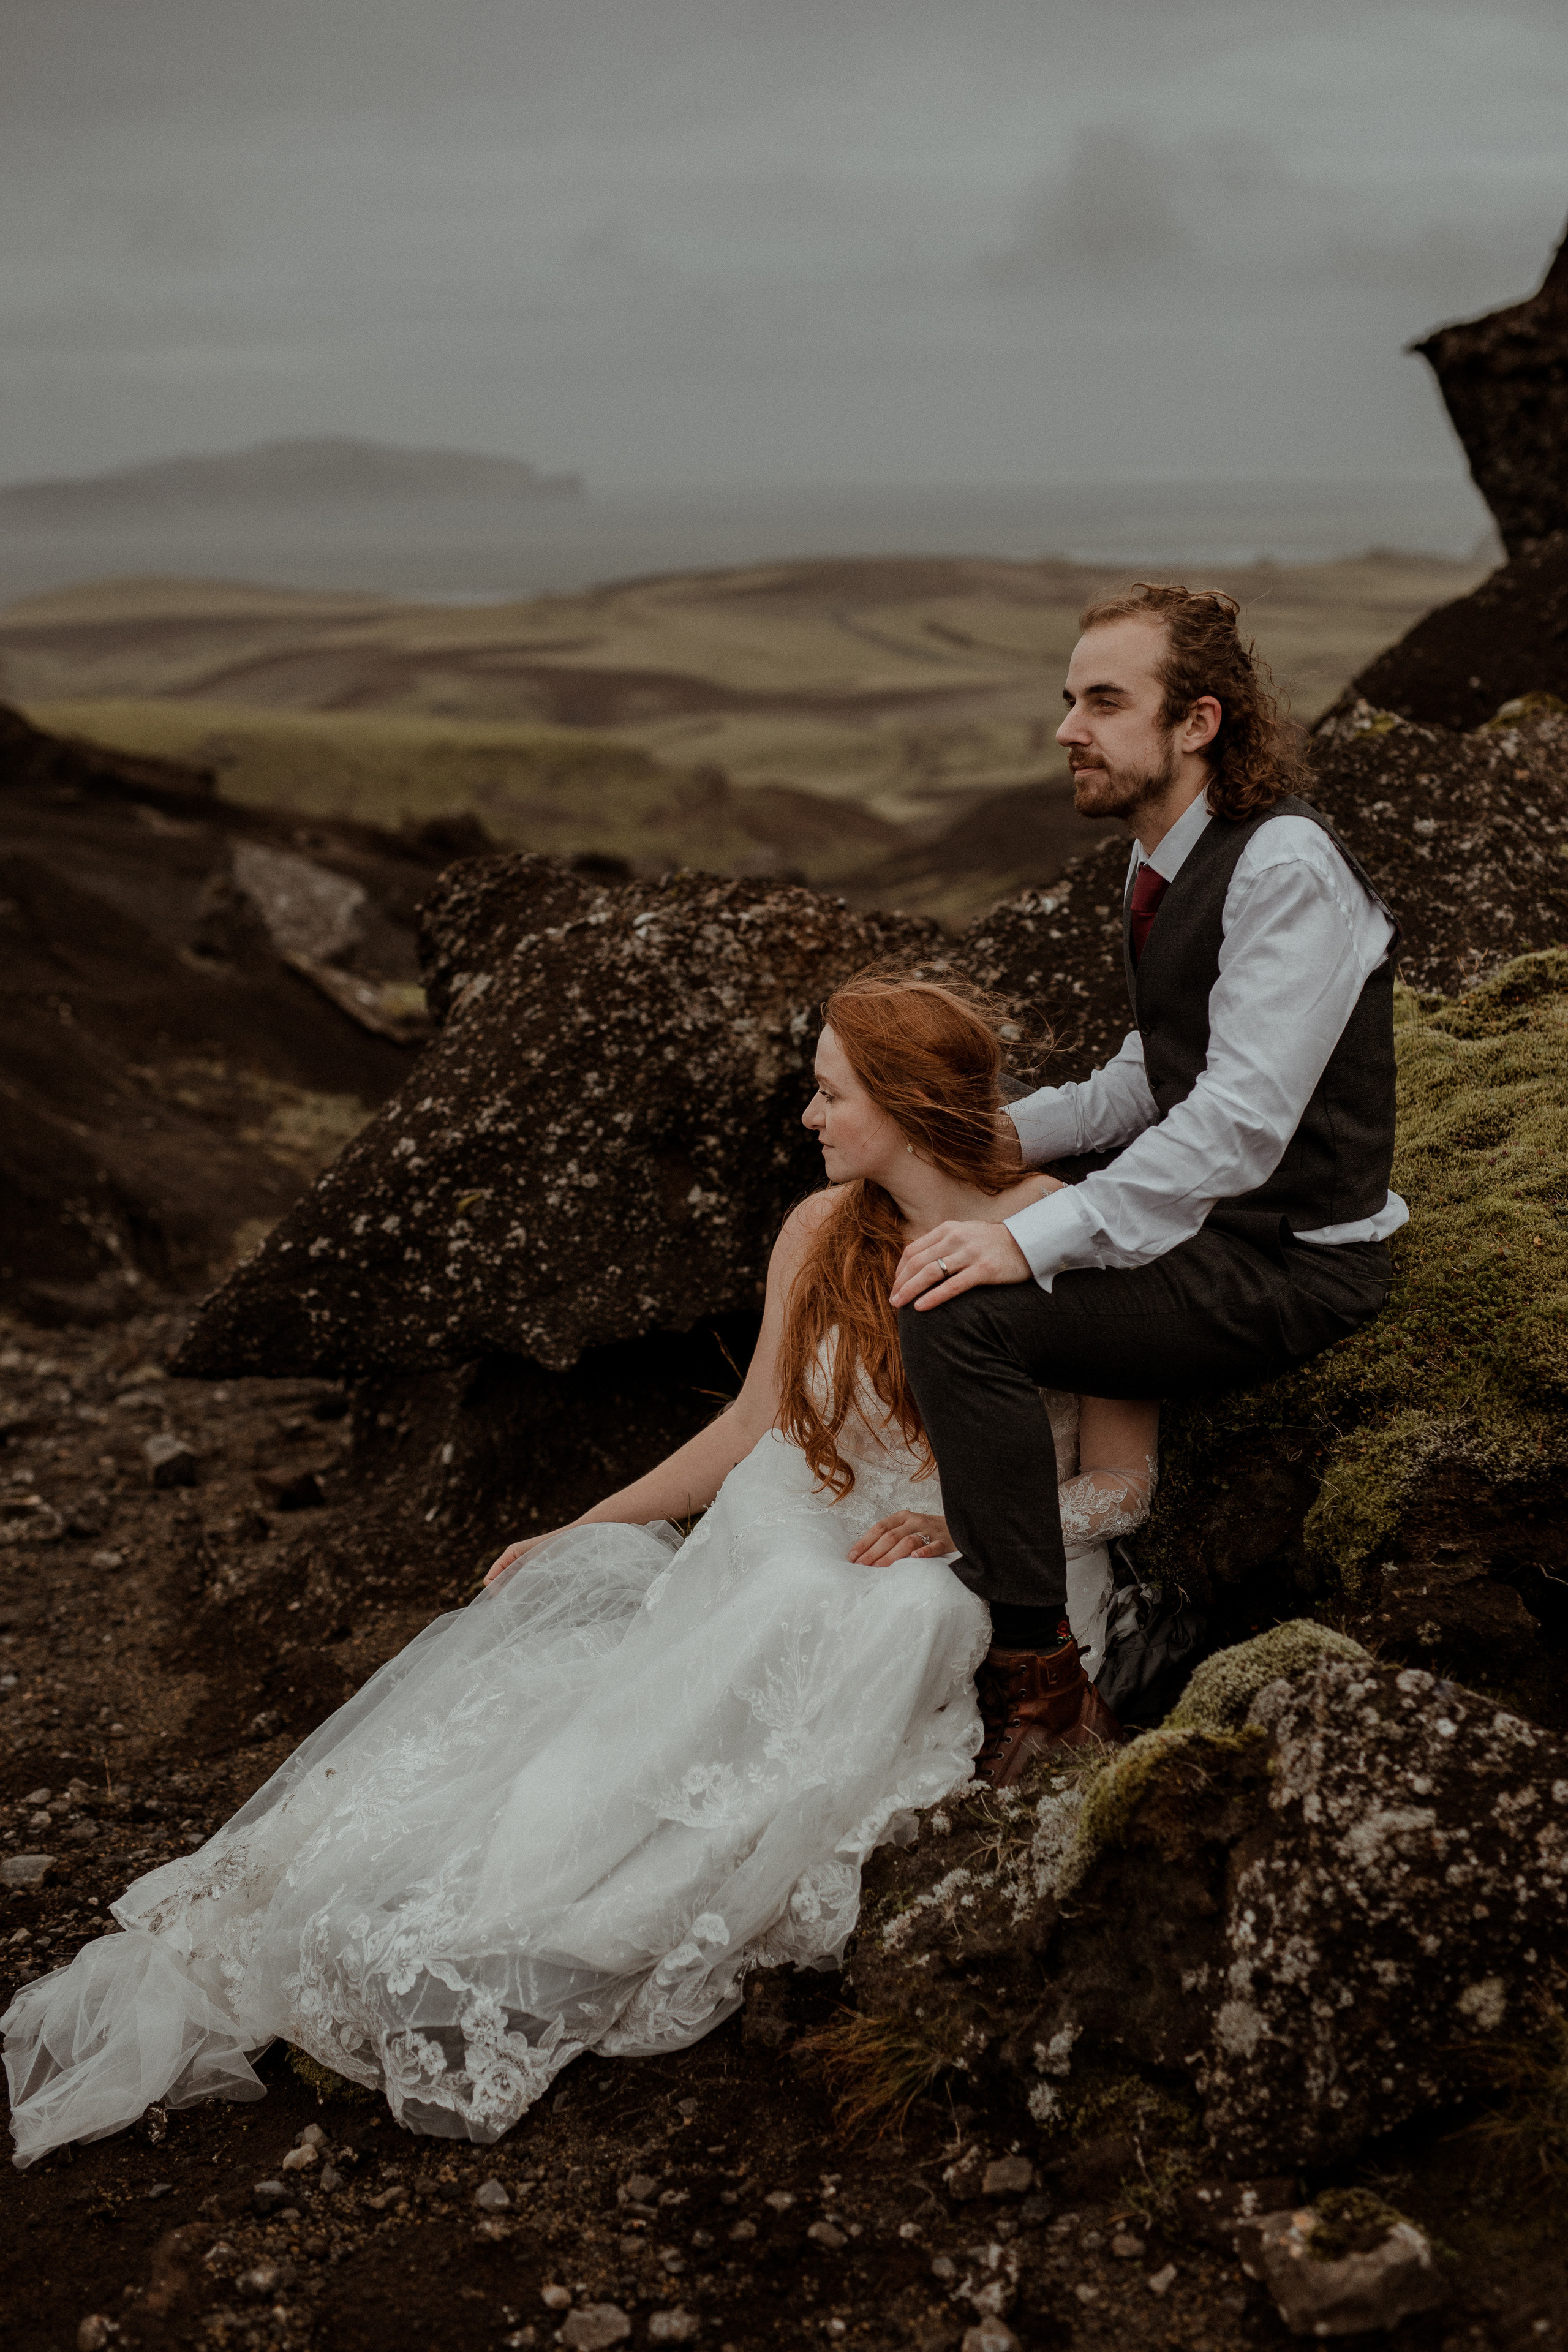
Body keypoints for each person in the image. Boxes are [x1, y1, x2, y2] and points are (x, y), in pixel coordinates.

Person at [4, 972, 1154, 2168]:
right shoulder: (821, 1230)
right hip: (812, 1524)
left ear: (908, 1106)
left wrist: (974, 1526)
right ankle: (538, 1888)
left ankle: (654, 1909)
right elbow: (756, 1423)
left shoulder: (1081, 1244)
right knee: (802, 1588)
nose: (806, 1119)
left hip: (1004, 1552)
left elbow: (1127, 1485)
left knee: (907, 1608)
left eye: (827, 1095)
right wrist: (588, 1525)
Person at [888, 582, 1404, 1785]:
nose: (1068, 726)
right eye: (1068, 699)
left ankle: (1044, 1687)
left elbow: (1230, 1124)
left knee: (960, 1313)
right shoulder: (1157, 865)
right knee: (955, 1247)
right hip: (1219, 1240)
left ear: (1197, 722)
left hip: (1293, 1264)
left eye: (1104, 701)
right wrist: (989, 1141)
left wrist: (1035, 1237)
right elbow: (1149, 1076)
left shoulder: (1283, 869)